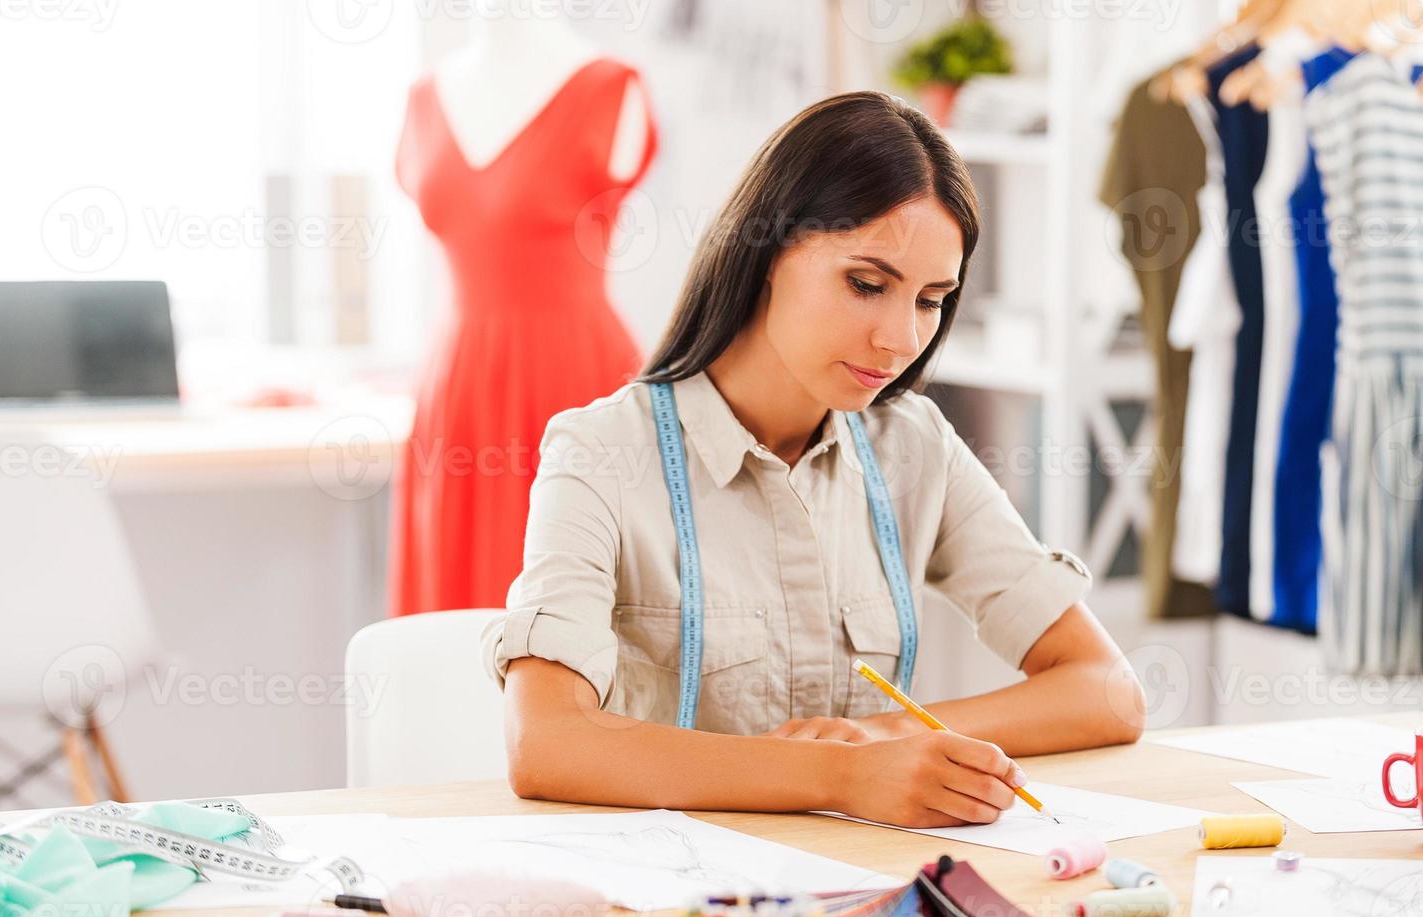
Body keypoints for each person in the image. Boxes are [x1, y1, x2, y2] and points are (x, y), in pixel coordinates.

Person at [480, 90, 1146, 830]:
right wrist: (838, 775)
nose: (900, 339)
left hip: (857, 881)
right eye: (866, 285)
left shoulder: (912, 446)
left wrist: (882, 737)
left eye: (930, 300)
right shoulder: (602, 454)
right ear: (765, 252)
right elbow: (544, 742)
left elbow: (1106, 690)